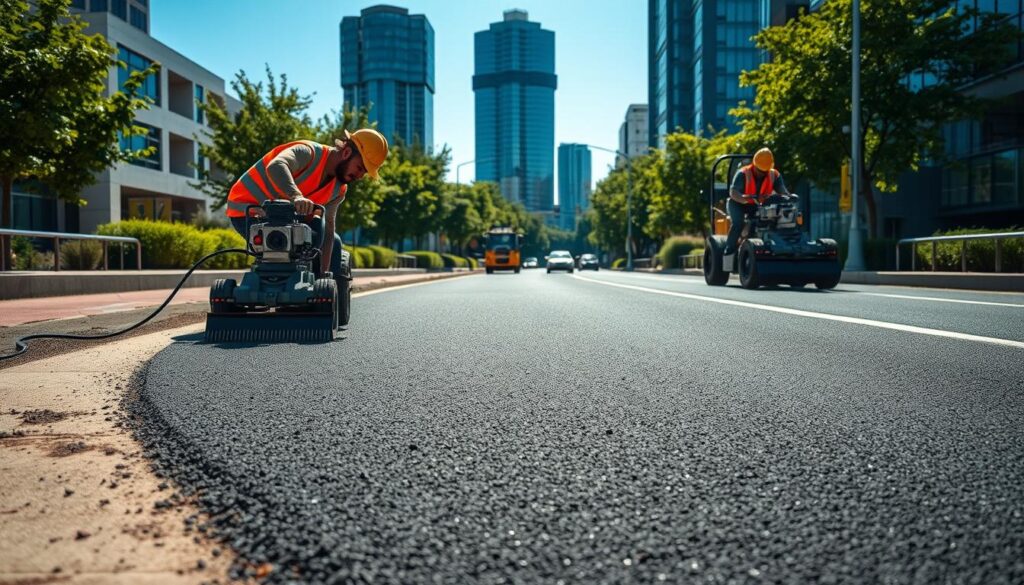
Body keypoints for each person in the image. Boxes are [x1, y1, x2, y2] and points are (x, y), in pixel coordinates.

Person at [225, 129, 389, 281]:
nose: (359, 176)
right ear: (346, 153)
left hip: (285, 219)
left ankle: (317, 295)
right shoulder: (308, 152)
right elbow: (276, 166)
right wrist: (296, 196)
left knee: (332, 242)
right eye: (360, 168)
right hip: (247, 212)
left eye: (364, 172)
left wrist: (325, 277)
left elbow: (329, 229)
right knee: (280, 250)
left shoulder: (339, 190)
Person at [723, 147, 795, 255]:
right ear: (754, 165)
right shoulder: (743, 173)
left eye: (764, 171)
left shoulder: (774, 175)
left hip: (759, 205)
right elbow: (733, 192)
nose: (762, 173)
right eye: (760, 170)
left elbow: (782, 191)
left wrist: (789, 196)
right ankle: (729, 249)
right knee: (738, 223)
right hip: (738, 204)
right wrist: (745, 199)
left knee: (768, 221)